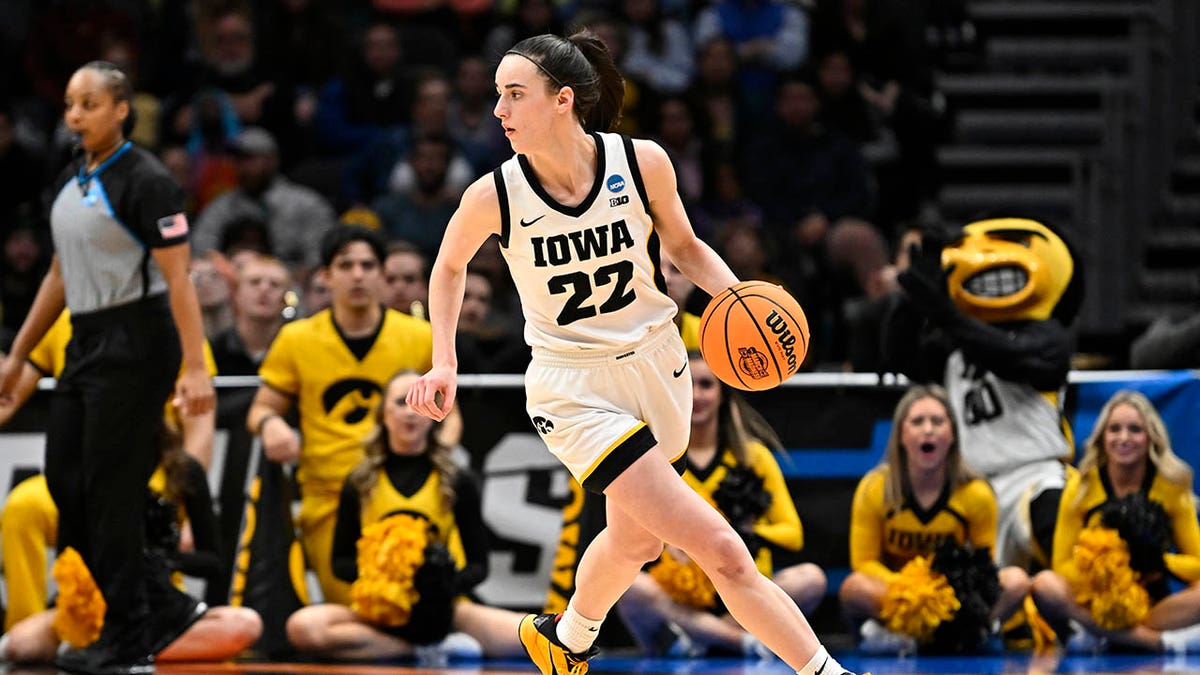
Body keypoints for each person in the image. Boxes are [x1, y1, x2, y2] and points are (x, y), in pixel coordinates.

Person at [405, 31, 863, 675]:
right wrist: (444, 360)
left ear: (563, 100)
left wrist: (741, 299)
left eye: (514, 94)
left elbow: (686, 247)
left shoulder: (642, 162)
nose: (498, 111)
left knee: (635, 540)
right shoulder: (495, 195)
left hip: (659, 361)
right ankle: (827, 672)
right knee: (723, 551)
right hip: (574, 389)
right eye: (497, 96)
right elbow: (448, 268)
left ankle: (567, 638)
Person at [0, 60, 215, 673]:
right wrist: (18, 356)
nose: (75, 115)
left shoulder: (146, 180)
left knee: (110, 490)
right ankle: (155, 603)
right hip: (86, 338)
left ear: (121, 108)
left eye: (89, 103)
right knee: (67, 482)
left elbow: (179, 281)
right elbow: (59, 275)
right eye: (69, 104)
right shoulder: (72, 177)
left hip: (139, 338)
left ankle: (128, 631)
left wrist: (194, 367)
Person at [245, 225, 434, 606]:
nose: (358, 274)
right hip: (328, 499)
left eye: (368, 265)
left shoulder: (421, 337)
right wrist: (272, 425)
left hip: (408, 494)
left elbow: (452, 417)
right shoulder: (297, 339)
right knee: (359, 605)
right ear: (326, 276)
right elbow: (261, 409)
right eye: (346, 265)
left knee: (414, 600)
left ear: (382, 274)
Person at [286, 371, 526, 660]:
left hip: (443, 609)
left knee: (529, 637)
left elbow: (479, 565)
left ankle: (428, 640)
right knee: (303, 627)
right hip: (380, 610)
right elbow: (340, 562)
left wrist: (441, 584)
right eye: (401, 402)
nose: (410, 413)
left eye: (420, 403)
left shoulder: (456, 479)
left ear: (435, 414)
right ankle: (425, 651)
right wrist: (388, 578)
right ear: (383, 415)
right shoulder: (360, 482)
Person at [1, 418, 262, 666]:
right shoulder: (86, 471)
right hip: (97, 603)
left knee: (245, 624)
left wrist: (156, 558)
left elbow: (213, 562)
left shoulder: (184, 469)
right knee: (20, 645)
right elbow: (68, 553)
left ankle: (119, 651)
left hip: (158, 605)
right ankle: (108, 647)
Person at [617, 351, 827, 657]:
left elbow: (793, 534)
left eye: (706, 385)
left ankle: (704, 635)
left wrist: (740, 533)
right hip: (683, 594)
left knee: (810, 579)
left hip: (743, 581)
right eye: (689, 385)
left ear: (723, 394)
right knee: (631, 586)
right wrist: (671, 542)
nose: (698, 395)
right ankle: (740, 640)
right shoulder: (657, 459)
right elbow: (631, 532)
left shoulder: (753, 457)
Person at [839, 384, 1030, 654]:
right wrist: (912, 590)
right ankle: (908, 634)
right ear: (901, 435)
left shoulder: (976, 493)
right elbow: (864, 562)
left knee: (1016, 581)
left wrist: (943, 594)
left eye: (937, 421)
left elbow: (984, 565)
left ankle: (968, 631)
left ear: (952, 434)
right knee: (854, 588)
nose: (928, 429)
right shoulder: (875, 488)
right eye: (917, 421)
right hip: (897, 595)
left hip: (954, 600)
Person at [1029, 390, 1200, 654]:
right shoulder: (1081, 488)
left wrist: (1161, 562)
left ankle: (1105, 636)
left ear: (1150, 437)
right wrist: (1107, 571)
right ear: (1102, 437)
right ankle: (1154, 642)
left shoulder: (1171, 486)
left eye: (1135, 430)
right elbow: (1061, 565)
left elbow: (1198, 564)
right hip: (1095, 600)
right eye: (1114, 429)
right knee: (1044, 584)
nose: (1123, 438)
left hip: (1152, 604)